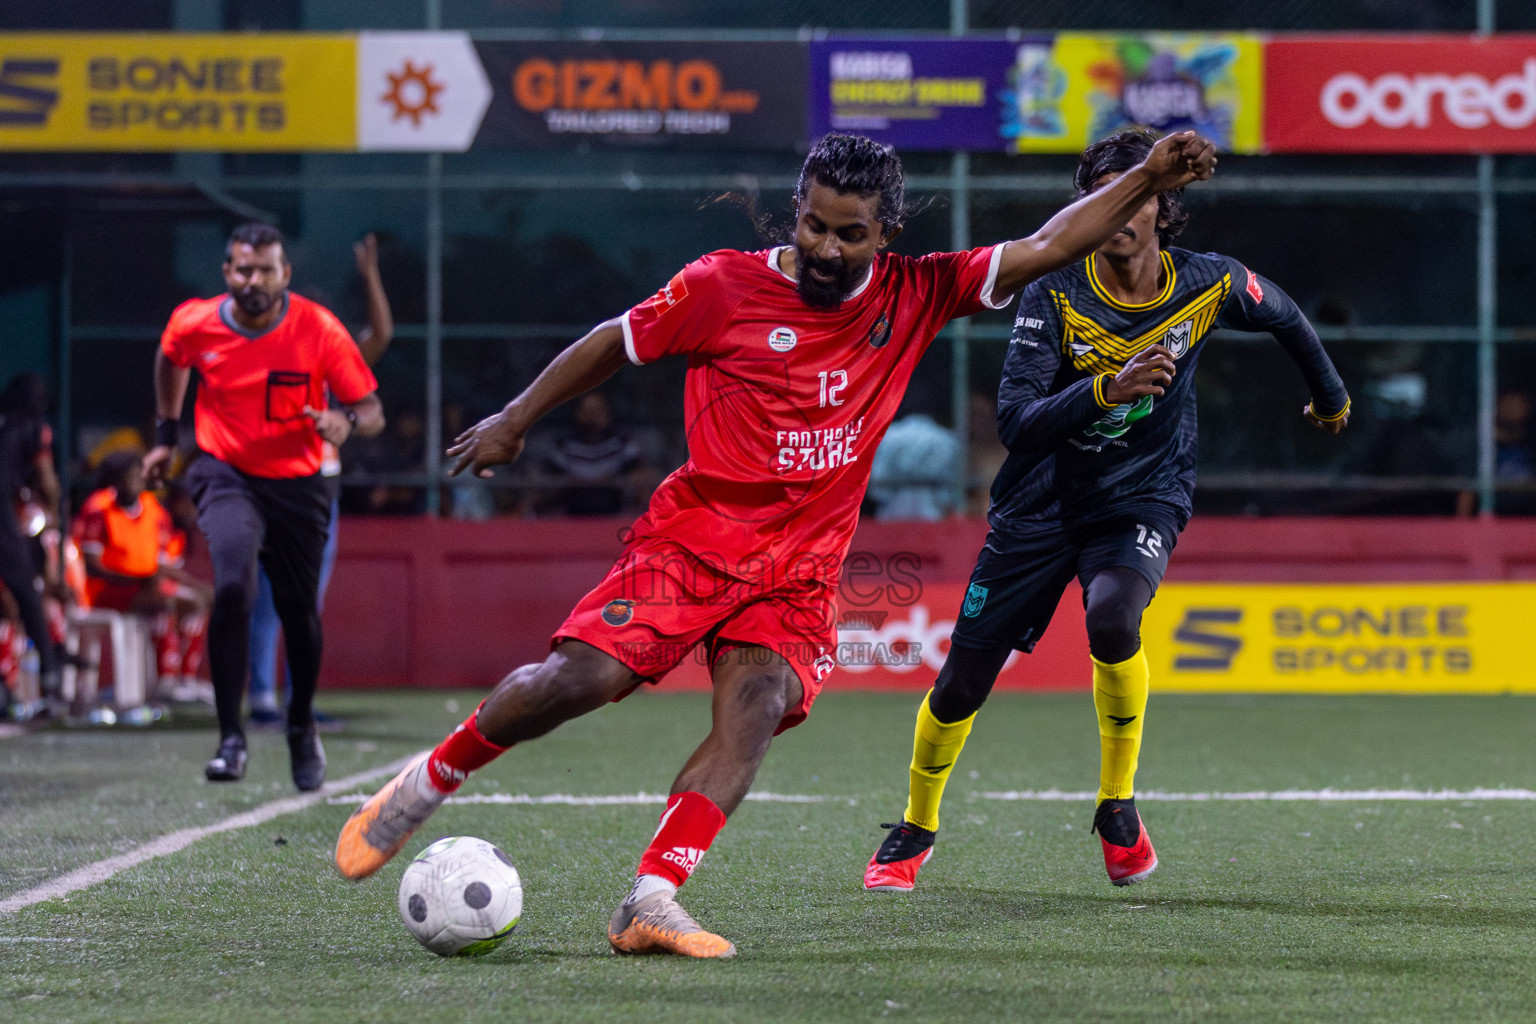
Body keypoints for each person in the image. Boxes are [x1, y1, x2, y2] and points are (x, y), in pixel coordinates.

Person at [334, 130, 1217, 957]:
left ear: (887, 232)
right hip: (694, 543)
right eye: (815, 225)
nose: (829, 249)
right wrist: (516, 418)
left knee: (754, 710)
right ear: (796, 212)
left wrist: (1146, 178)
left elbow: (1050, 244)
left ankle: (650, 901)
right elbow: (615, 341)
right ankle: (427, 782)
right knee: (581, 682)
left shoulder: (919, 290)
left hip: (797, 571)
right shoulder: (721, 286)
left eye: (852, 234)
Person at [862, 129, 1351, 894]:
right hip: (1039, 505)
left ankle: (1118, 809)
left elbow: (1285, 315)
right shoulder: (1053, 291)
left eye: (1138, 190)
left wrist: (1331, 398)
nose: (1120, 206)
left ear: (1165, 208)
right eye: (1102, 190)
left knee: (1114, 617)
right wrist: (1105, 389)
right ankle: (917, 825)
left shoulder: (1209, 284)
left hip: (1139, 495)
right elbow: (1017, 421)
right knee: (961, 681)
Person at [144, 222, 385, 790]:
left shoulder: (318, 329)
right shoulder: (195, 321)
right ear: (228, 273)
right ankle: (232, 737)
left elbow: (369, 409)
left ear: (285, 274)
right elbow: (170, 357)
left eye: (266, 269)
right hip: (224, 471)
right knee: (232, 587)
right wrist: (164, 433)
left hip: (299, 482)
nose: (254, 279)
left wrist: (344, 422)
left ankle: (300, 726)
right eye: (244, 269)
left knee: (300, 611)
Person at [248, 233, 394, 727]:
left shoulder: (332, 358)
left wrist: (370, 275)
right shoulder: (268, 353)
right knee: (269, 593)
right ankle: (264, 698)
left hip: (315, 488)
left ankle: (296, 701)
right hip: (268, 481)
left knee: (304, 597)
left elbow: (381, 335)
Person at [73, 450, 211, 691]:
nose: (137, 482)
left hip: (146, 585)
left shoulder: (152, 509)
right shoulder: (99, 508)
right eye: (131, 476)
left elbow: (162, 563)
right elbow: (92, 567)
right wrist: (136, 580)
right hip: (107, 590)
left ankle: (186, 679)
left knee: (197, 600)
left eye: (140, 476)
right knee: (163, 602)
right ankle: (165, 678)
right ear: (116, 480)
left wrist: (195, 585)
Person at [0, 373, 63, 718]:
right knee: (26, 594)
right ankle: (51, 681)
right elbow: (46, 478)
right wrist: (52, 516)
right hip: (2, 513)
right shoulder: (34, 428)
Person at [535, 391, 647, 517]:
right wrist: (579, 482)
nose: (593, 416)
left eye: (597, 410)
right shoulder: (564, 444)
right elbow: (549, 479)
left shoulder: (622, 441)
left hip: (614, 512)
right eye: (588, 411)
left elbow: (639, 473)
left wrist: (610, 480)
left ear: (607, 412)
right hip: (571, 513)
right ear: (578, 414)